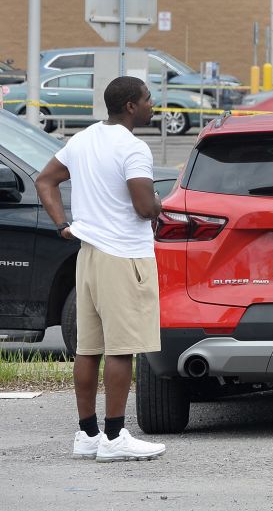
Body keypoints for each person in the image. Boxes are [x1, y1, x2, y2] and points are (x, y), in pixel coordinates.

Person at [33, 76, 167, 463]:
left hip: (88, 254)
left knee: (89, 349)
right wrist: (159, 202)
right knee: (122, 350)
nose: (151, 105)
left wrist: (63, 224)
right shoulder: (134, 148)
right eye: (147, 99)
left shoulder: (84, 139)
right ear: (130, 106)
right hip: (124, 255)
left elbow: (45, 181)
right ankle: (114, 437)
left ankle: (87, 434)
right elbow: (144, 207)